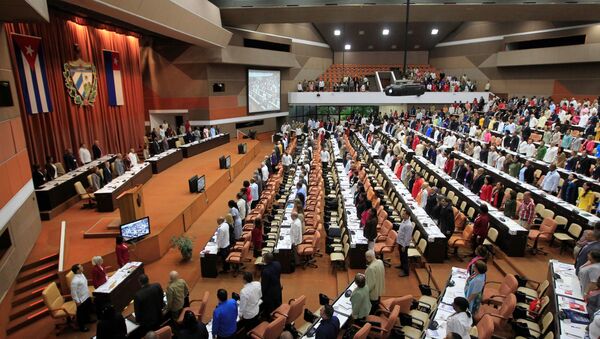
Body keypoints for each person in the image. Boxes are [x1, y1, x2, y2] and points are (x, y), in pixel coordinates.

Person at [70, 264, 94, 332]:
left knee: (87, 309)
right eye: (81, 267)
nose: (82, 267)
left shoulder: (82, 274)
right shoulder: (74, 281)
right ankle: (82, 327)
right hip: (81, 299)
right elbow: (73, 293)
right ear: (77, 270)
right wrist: (77, 301)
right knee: (81, 314)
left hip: (86, 295)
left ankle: (88, 320)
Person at [365, 250, 385, 314]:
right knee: (377, 304)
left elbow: (370, 285)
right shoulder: (380, 261)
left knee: (372, 310)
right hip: (379, 288)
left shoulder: (371, 268)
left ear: (368, 257)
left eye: (366, 257)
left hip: (373, 293)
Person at [396, 209, 414, 277]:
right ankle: (402, 266)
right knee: (401, 255)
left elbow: (407, 237)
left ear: (407, 215)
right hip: (400, 241)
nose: (402, 215)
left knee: (404, 257)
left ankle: (406, 272)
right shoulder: (404, 220)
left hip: (404, 244)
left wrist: (404, 246)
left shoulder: (409, 225)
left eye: (404, 214)